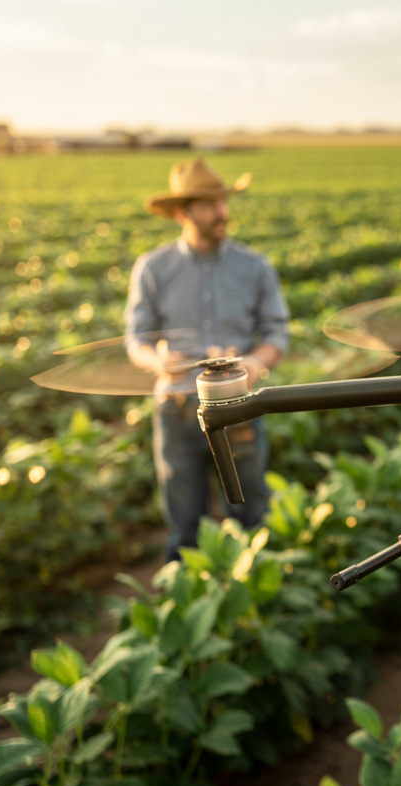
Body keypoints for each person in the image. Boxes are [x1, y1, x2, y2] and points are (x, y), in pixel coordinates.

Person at [125, 157, 290, 561]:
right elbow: (136, 340)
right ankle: (188, 603)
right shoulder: (152, 268)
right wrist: (157, 361)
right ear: (183, 212)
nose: (223, 213)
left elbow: (276, 333)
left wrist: (254, 363)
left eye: (223, 201)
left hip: (239, 409)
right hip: (176, 409)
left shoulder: (254, 266)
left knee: (252, 517)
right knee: (184, 526)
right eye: (211, 204)